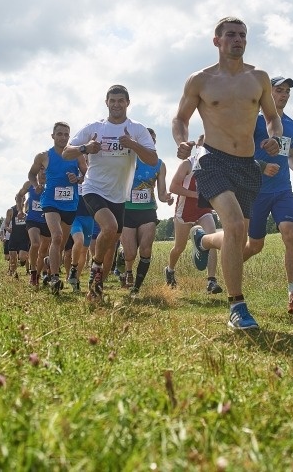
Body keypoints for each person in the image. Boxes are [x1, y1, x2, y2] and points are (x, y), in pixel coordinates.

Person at [172, 17, 283, 330]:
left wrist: (274, 137)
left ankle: (204, 240)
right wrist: (182, 142)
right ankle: (237, 306)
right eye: (231, 35)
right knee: (234, 225)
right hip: (212, 160)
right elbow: (179, 119)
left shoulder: (259, 77)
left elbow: (273, 118)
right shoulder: (201, 80)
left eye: (243, 35)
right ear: (216, 40)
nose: (238, 40)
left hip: (246, 164)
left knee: (240, 236)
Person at [64, 85, 158, 303]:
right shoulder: (95, 127)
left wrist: (132, 145)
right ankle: (94, 271)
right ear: (106, 103)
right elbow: (67, 151)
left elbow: (153, 159)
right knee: (110, 227)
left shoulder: (137, 129)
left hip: (119, 194)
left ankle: (96, 286)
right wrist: (86, 148)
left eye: (121, 101)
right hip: (93, 188)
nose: (116, 105)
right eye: (112, 101)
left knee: (111, 245)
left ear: (128, 103)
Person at [241, 76, 293, 315]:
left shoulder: (292, 125)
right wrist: (261, 165)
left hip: (282, 190)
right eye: (279, 90)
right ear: (268, 93)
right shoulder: (254, 120)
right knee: (254, 246)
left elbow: (290, 153)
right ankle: (228, 268)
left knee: (290, 233)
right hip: (255, 191)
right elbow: (240, 153)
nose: (283, 95)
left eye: (286, 92)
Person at [27, 122, 87, 294]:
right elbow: (31, 173)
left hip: (70, 203)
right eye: (59, 134)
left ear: (69, 136)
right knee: (57, 237)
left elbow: (86, 173)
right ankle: (54, 278)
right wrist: (36, 184)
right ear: (52, 136)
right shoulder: (44, 156)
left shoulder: (76, 155)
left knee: (59, 246)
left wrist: (77, 178)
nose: (62, 137)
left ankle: (48, 264)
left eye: (66, 134)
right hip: (50, 203)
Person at [120, 129, 173, 296]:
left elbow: (162, 193)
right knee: (130, 253)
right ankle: (123, 259)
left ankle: (136, 287)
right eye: (147, 139)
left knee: (146, 249)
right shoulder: (128, 159)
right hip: (127, 210)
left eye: (153, 140)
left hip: (148, 211)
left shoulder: (159, 164)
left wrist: (167, 198)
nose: (151, 142)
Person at [166, 134, 220, 291]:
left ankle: (211, 281)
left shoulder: (215, 166)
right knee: (179, 247)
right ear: (198, 147)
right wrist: (197, 195)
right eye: (204, 146)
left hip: (204, 210)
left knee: (212, 237)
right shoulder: (187, 164)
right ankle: (170, 270)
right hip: (185, 211)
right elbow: (173, 187)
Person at [5, 200, 29, 278]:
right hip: (14, 236)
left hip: (24, 237)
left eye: (23, 198)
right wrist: (8, 228)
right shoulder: (11, 211)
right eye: (19, 198)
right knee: (12, 257)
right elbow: (6, 224)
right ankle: (14, 274)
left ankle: (23, 261)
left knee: (21, 257)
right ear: (16, 199)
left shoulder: (27, 209)